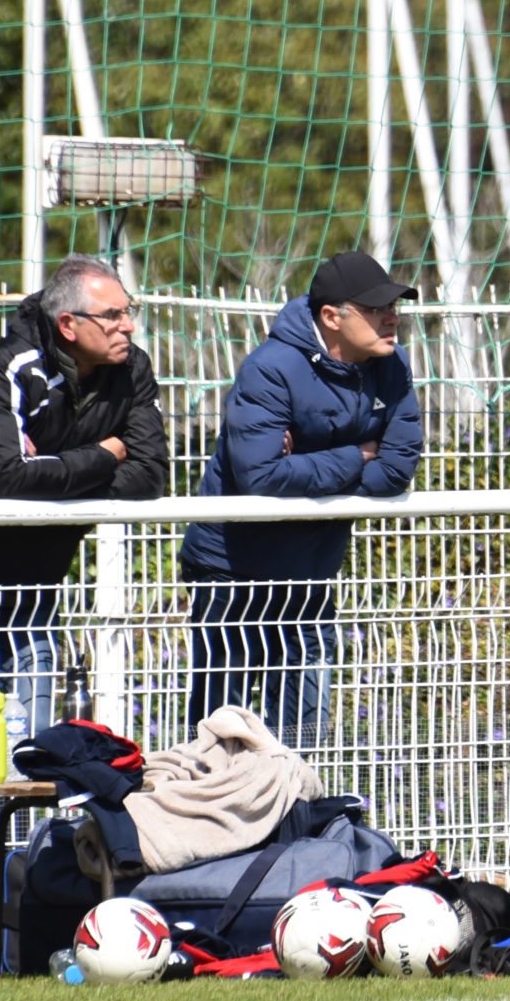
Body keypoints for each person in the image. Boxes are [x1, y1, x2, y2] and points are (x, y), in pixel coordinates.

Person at [0, 254, 168, 729]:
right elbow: (8, 480)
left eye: (129, 311)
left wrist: (50, 474)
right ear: (68, 325)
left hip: (31, 589)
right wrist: (106, 454)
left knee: (29, 739)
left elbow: (151, 474)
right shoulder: (9, 366)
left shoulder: (133, 369)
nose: (128, 326)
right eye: (112, 315)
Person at [178, 251, 423, 751]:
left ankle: (294, 805)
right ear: (332, 317)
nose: (392, 318)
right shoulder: (269, 368)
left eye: (393, 306)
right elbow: (261, 476)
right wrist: (358, 454)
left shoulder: (393, 364)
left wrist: (304, 467)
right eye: (376, 309)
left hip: (309, 575)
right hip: (231, 572)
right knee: (216, 737)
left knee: (301, 739)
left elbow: (396, 470)